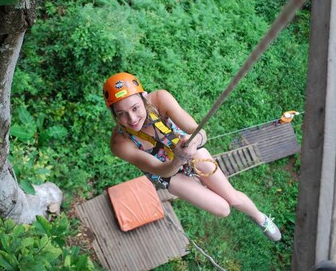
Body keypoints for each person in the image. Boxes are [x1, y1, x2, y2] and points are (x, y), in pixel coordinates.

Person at [103, 72, 281, 241]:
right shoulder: (121, 143)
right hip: (167, 173)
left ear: (144, 98)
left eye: (135, 108)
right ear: (114, 115)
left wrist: (194, 142)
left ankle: (260, 218)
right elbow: (160, 170)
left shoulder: (160, 100)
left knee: (232, 198)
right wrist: (179, 159)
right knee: (223, 209)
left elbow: (200, 132)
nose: (132, 118)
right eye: (121, 114)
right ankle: (197, 182)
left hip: (189, 150)